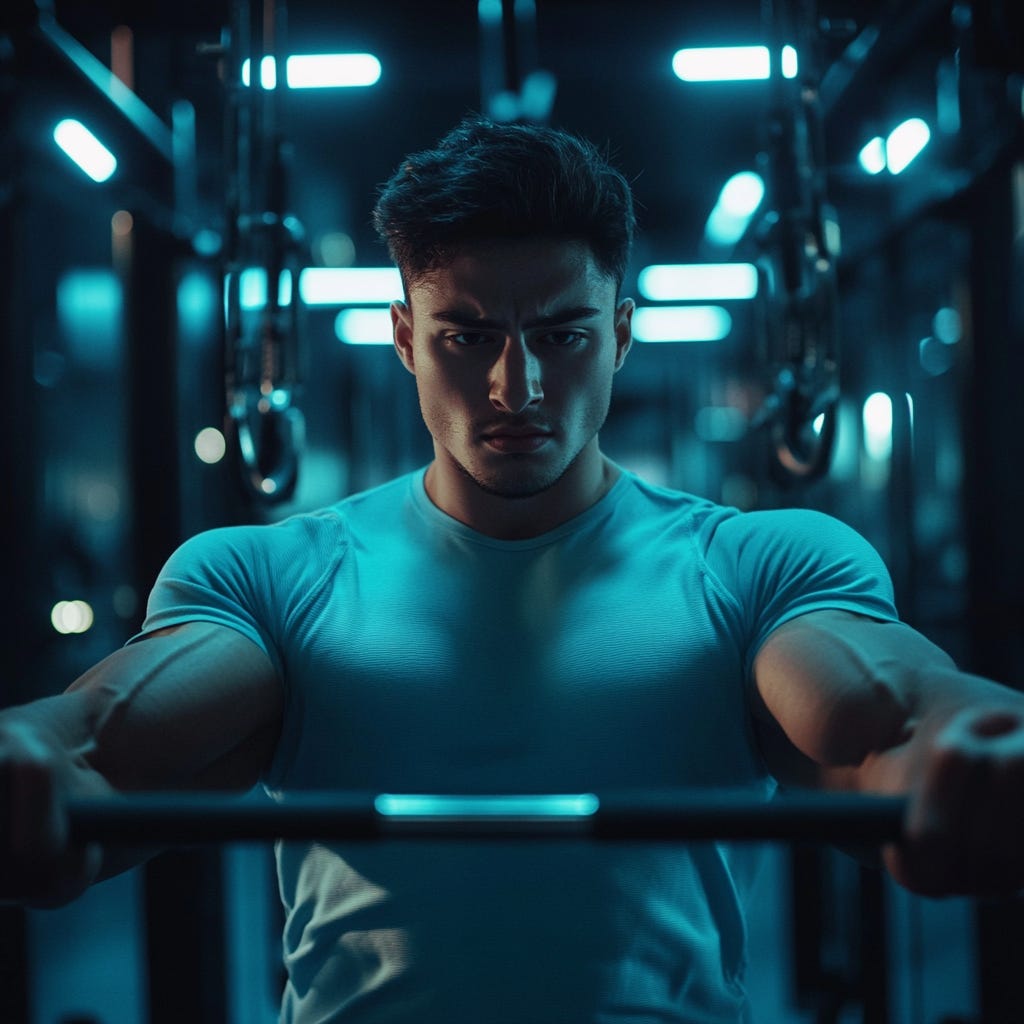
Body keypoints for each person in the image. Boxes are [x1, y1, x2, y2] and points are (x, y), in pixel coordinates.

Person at [2, 114, 1024, 1023]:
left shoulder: (763, 565)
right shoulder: (261, 578)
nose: (515, 384)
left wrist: (966, 741)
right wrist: (32, 755)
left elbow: (890, 723)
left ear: (620, 335)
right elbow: (103, 747)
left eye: (563, 334)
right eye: (467, 334)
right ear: (405, 337)